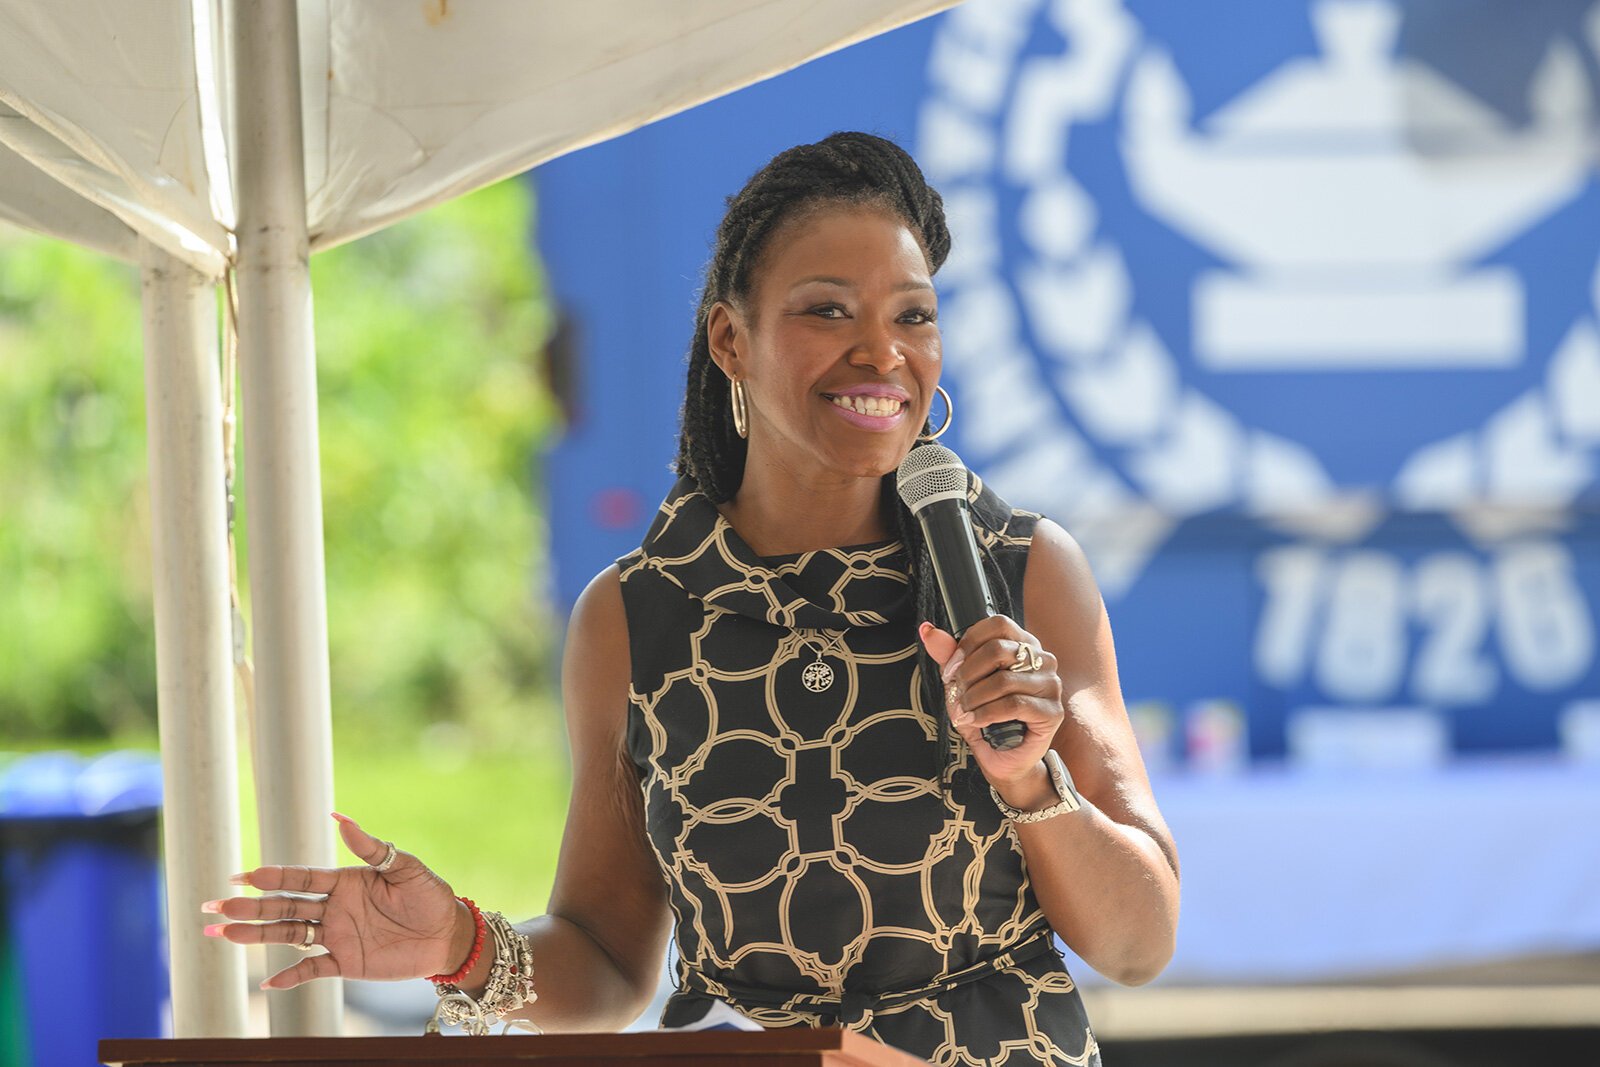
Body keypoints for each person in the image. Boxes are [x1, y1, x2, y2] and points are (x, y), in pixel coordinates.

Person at [203, 132, 1179, 1065]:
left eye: (912, 314)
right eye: (828, 310)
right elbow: (609, 955)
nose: (882, 352)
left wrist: (1027, 782)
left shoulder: (1018, 572)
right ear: (730, 339)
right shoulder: (637, 617)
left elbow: (1137, 943)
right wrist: (460, 944)